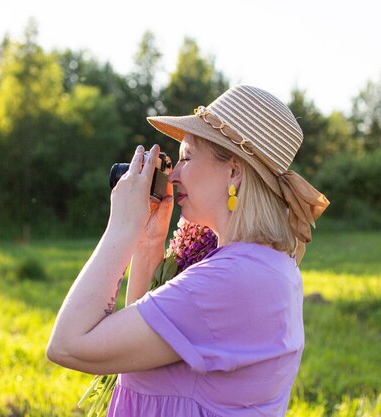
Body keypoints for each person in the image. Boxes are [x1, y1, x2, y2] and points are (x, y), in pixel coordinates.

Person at [46, 85, 330, 416]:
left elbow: (69, 345)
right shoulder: (258, 267)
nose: (175, 175)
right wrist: (148, 243)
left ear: (234, 171)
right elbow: (132, 354)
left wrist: (121, 227)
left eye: (187, 157)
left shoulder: (232, 280)